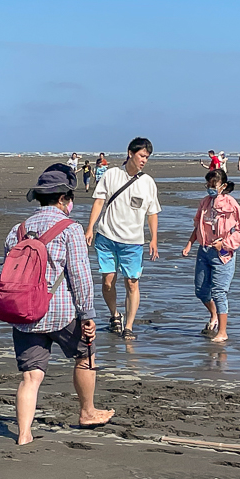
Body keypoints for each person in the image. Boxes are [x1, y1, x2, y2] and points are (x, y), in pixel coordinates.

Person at [3, 164, 114, 444]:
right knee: (84, 356)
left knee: (31, 377)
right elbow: (79, 274)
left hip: (25, 314)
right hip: (62, 312)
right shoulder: (70, 229)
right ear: (64, 199)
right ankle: (87, 411)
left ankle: (24, 434)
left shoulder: (19, 230)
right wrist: (88, 314)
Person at [85, 137, 161, 341]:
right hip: (106, 236)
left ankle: (128, 326)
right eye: (141, 155)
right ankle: (114, 315)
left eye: (147, 157)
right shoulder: (111, 175)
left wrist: (153, 239)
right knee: (108, 281)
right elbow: (99, 202)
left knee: (132, 283)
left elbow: (152, 213)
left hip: (133, 242)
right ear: (130, 153)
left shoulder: (147, 182)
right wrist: (90, 227)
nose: (144, 160)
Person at [181, 169, 240, 343]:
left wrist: (225, 244)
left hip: (222, 255)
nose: (210, 189)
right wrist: (189, 243)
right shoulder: (204, 203)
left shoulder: (231, 204)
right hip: (203, 252)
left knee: (219, 292)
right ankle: (214, 315)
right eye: (208, 185)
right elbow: (198, 226)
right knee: (201, 291)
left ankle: (223, 331)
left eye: (214, 186)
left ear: (223, 186)